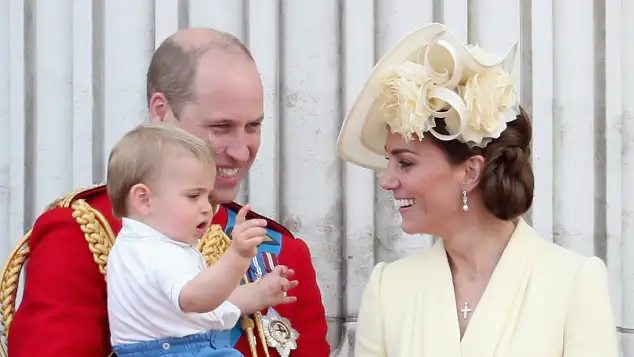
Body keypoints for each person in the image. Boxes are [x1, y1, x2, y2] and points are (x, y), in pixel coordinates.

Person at [7, 28, 330, 357]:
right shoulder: (83, 234)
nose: (241, 152)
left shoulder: (281, 252)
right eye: (220, 127)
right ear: (160, 111)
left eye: (253, 127)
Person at [336, 23, 618, 357]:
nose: (386, 181)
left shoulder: (573, 283)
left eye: (406, 163)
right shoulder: (388, 289)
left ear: (470, 171)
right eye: (389, 162)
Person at [106, 124, 286, 357]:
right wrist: (238, 256)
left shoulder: (134, 246)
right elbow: (198, 299)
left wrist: (259, 293)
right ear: (144, 200)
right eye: (193, 196)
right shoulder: (158, 252)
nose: (206, 208)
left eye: (207, 196)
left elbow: (205, 306)